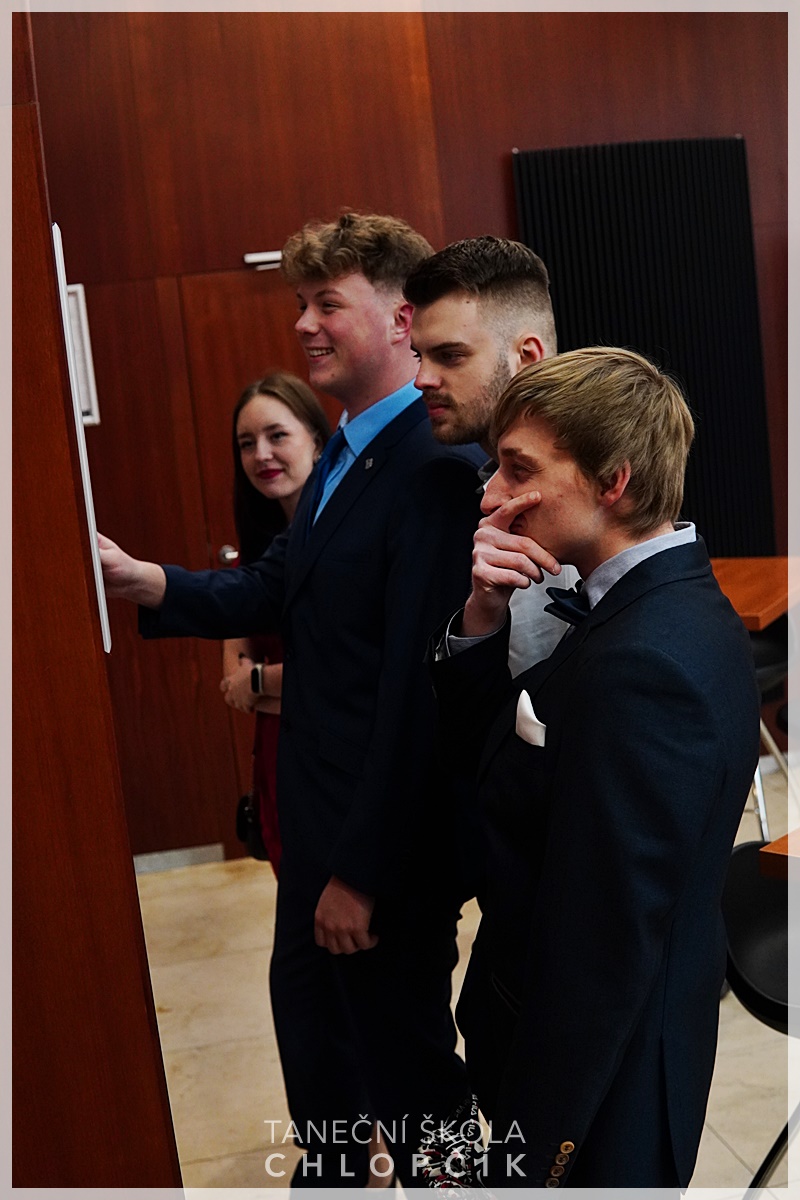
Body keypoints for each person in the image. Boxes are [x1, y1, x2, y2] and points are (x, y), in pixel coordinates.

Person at [99, 211, 483, 1187]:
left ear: (400, 319)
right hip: (317, 837)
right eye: (300, 304)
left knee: (416, 1094)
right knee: (334, 1060)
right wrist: (149, 582)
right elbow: (282, 585)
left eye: (327, 304)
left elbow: (415, 697)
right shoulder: (350, 446)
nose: (304, 325)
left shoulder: (432, 466)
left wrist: (360, 873)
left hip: (376, 856)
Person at [426, 347, 760, 1188]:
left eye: (518, 470)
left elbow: (602, 949)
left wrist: (533, 1158)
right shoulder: (640, 604)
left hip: (601, 1094)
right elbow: (491, 764)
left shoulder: (649, 660)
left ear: (612, 481)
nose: (490, 497)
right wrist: (483, 616)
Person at [404, 235, 580, 677]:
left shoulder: (589, 493)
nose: (422, 379)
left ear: (527, 357)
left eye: (450, 356)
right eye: (419, 356)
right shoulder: (482, 485)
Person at [219, 371, 330, 872]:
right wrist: (272, 686)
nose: (261, 454)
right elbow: (232, 681)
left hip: (328, 755)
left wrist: (261, 681)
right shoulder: (257, 554)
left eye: (277, 435)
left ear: (318, 442)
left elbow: (340, 677)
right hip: (274, 753)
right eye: (247, 443)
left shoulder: (341, 543)